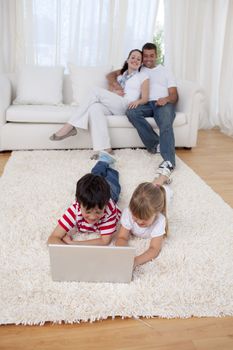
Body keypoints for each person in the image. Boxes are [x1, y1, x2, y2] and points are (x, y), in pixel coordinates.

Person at [49, 49, 149, 158]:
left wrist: (137, 101)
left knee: (94, 90)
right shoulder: (121, 75)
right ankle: (104, 149)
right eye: (133, 57)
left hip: (127, 104)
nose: (135, 60)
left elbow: (145, 98)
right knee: (94, 107)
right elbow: (110, 85)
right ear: (127, 59)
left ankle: (69, 125)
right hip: (115, 104)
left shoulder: (142, 75)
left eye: (139, 59)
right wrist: (114, 91)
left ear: (141, 63)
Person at [107, 42, 178, 180]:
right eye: (145, 56)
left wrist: (166, 99)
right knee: (131, 112)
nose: (148, 59)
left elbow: (175, 95)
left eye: (152, 56)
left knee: (165, 121)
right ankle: (155, 144)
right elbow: (112, 74)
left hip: (162, 103)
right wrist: (115, 85)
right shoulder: (138, 68)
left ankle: (169, 162)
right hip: (145, 103)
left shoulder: (166, 71)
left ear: (156, 55)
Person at [47, 152, 121, 246]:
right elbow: (52, 238)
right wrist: (67, 250)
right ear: (79, 203)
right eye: (88, 212)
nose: (93, 217)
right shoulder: (74, 210)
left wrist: (73, 243)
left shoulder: (109, 209)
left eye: (98, 212)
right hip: (96, 195)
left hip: (111, 194)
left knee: (112, 180)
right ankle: (103, 161)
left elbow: (104, 241)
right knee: (95, 174)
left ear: (105, 205)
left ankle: (106, 163)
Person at [115, 174, 172, 268]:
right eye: (136, 218)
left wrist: (135, 261)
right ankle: (158, 180)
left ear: (156, 213)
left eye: (144, 219)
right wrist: (123, 254)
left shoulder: (160, 220)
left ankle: (162, 177)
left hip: (163, 195)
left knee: (163, 190)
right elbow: (121, 237)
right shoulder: (128, 212)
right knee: (151, 189)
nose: (139, 222)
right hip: (150, 199)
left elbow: (154, 249)